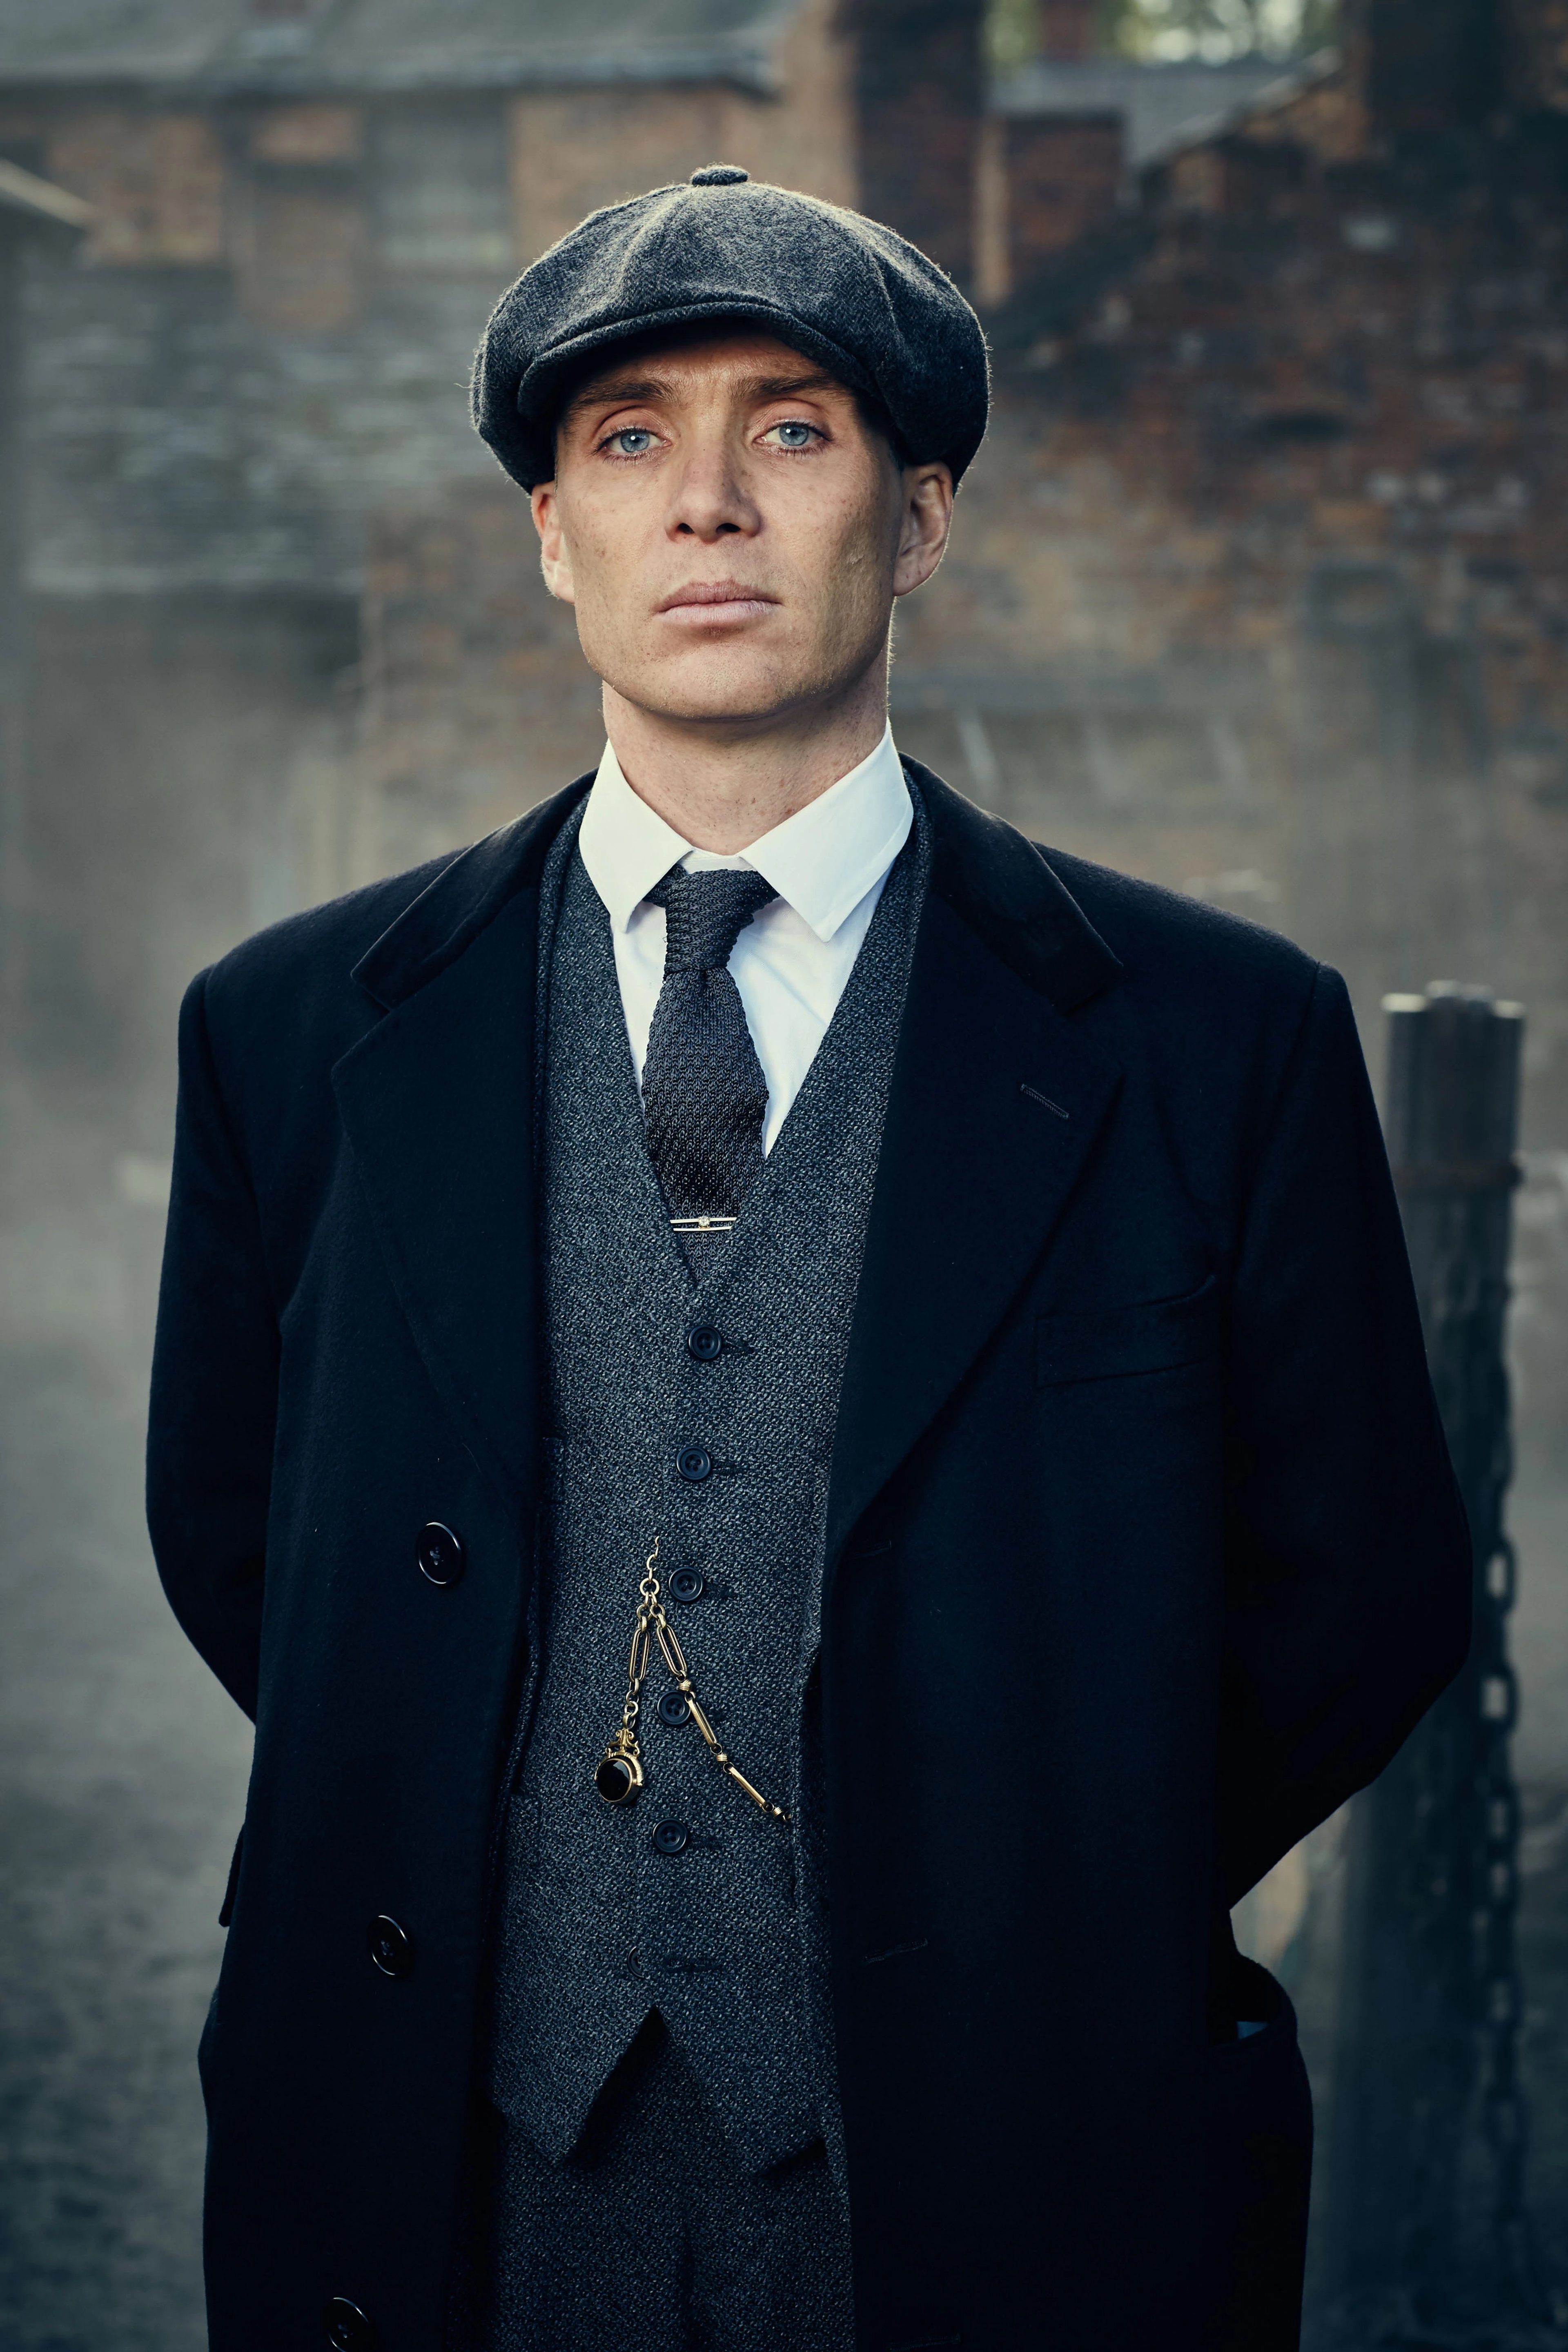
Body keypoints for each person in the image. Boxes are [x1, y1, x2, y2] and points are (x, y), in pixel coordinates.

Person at [147, 167, 1470, 2352]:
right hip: (451, 2152)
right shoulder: (294, 1034)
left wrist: (1046, 1877)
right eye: (631, 440)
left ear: (918, 515)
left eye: (792, 428)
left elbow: (1362, 1590)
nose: (708, 506)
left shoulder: (1219, 1039)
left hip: (1004, 2165)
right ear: (553, 534)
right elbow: (245, 1539)